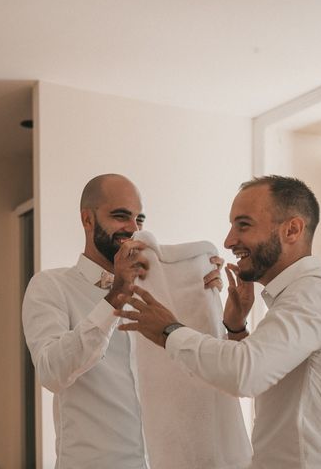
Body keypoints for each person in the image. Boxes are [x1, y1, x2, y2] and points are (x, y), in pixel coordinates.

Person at [116, 175, 321, 469]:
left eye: (243, 225)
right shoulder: (301, 296)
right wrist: (236, 328)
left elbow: (246, 373)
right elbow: (276, 390)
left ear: (292, 229)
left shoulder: (316, 293)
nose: (228, 240)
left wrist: (169, 330)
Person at [22, 173, 223, 469]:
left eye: (139, 219)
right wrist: (115, 296)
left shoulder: (159, 289)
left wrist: (215, 306)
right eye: (120, 216)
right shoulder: (50, 286)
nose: (133, 229)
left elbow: (203, 364)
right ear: (87, 220)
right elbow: (52, 372)